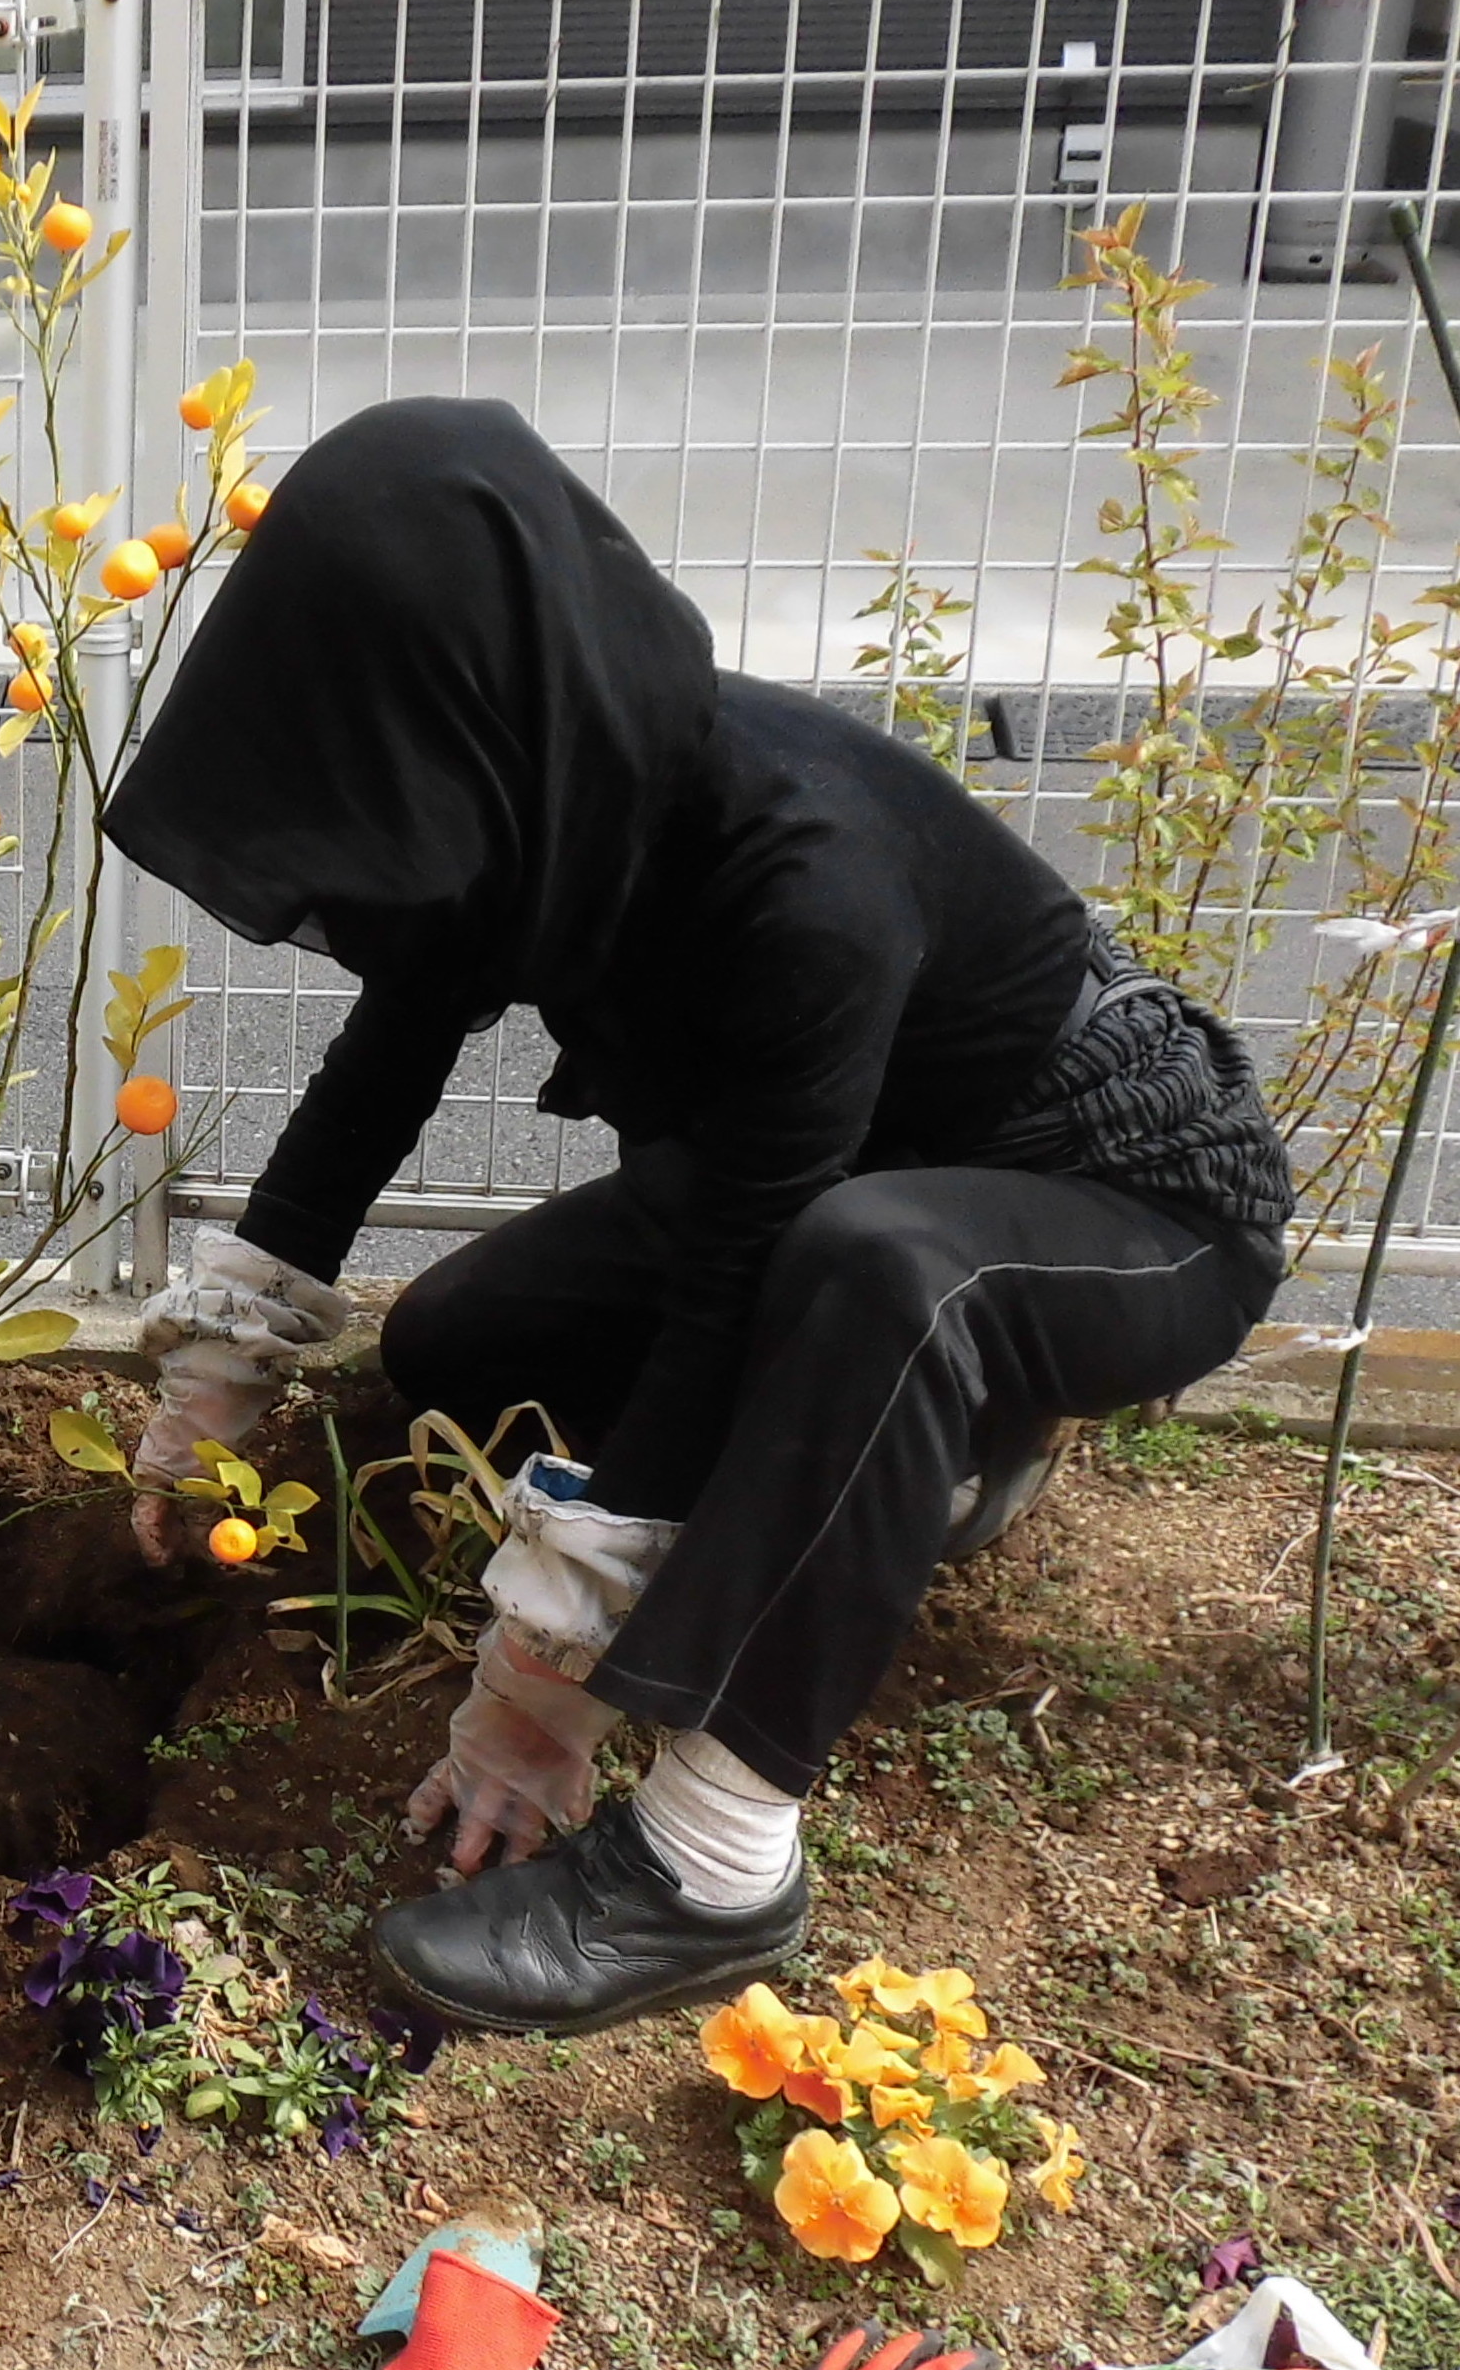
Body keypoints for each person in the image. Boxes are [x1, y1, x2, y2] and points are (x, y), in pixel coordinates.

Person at [103, 398, 1292, 2037]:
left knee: (879, 1278)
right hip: (845, 1184)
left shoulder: (805, 876)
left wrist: (541, 1696)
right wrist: (217, 1370)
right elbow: (386, 1057)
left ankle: (716, 1866)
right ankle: (929, 1464)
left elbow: (738, 1274)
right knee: (459, 1340)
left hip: (1123, 1200)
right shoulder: (540, 795)